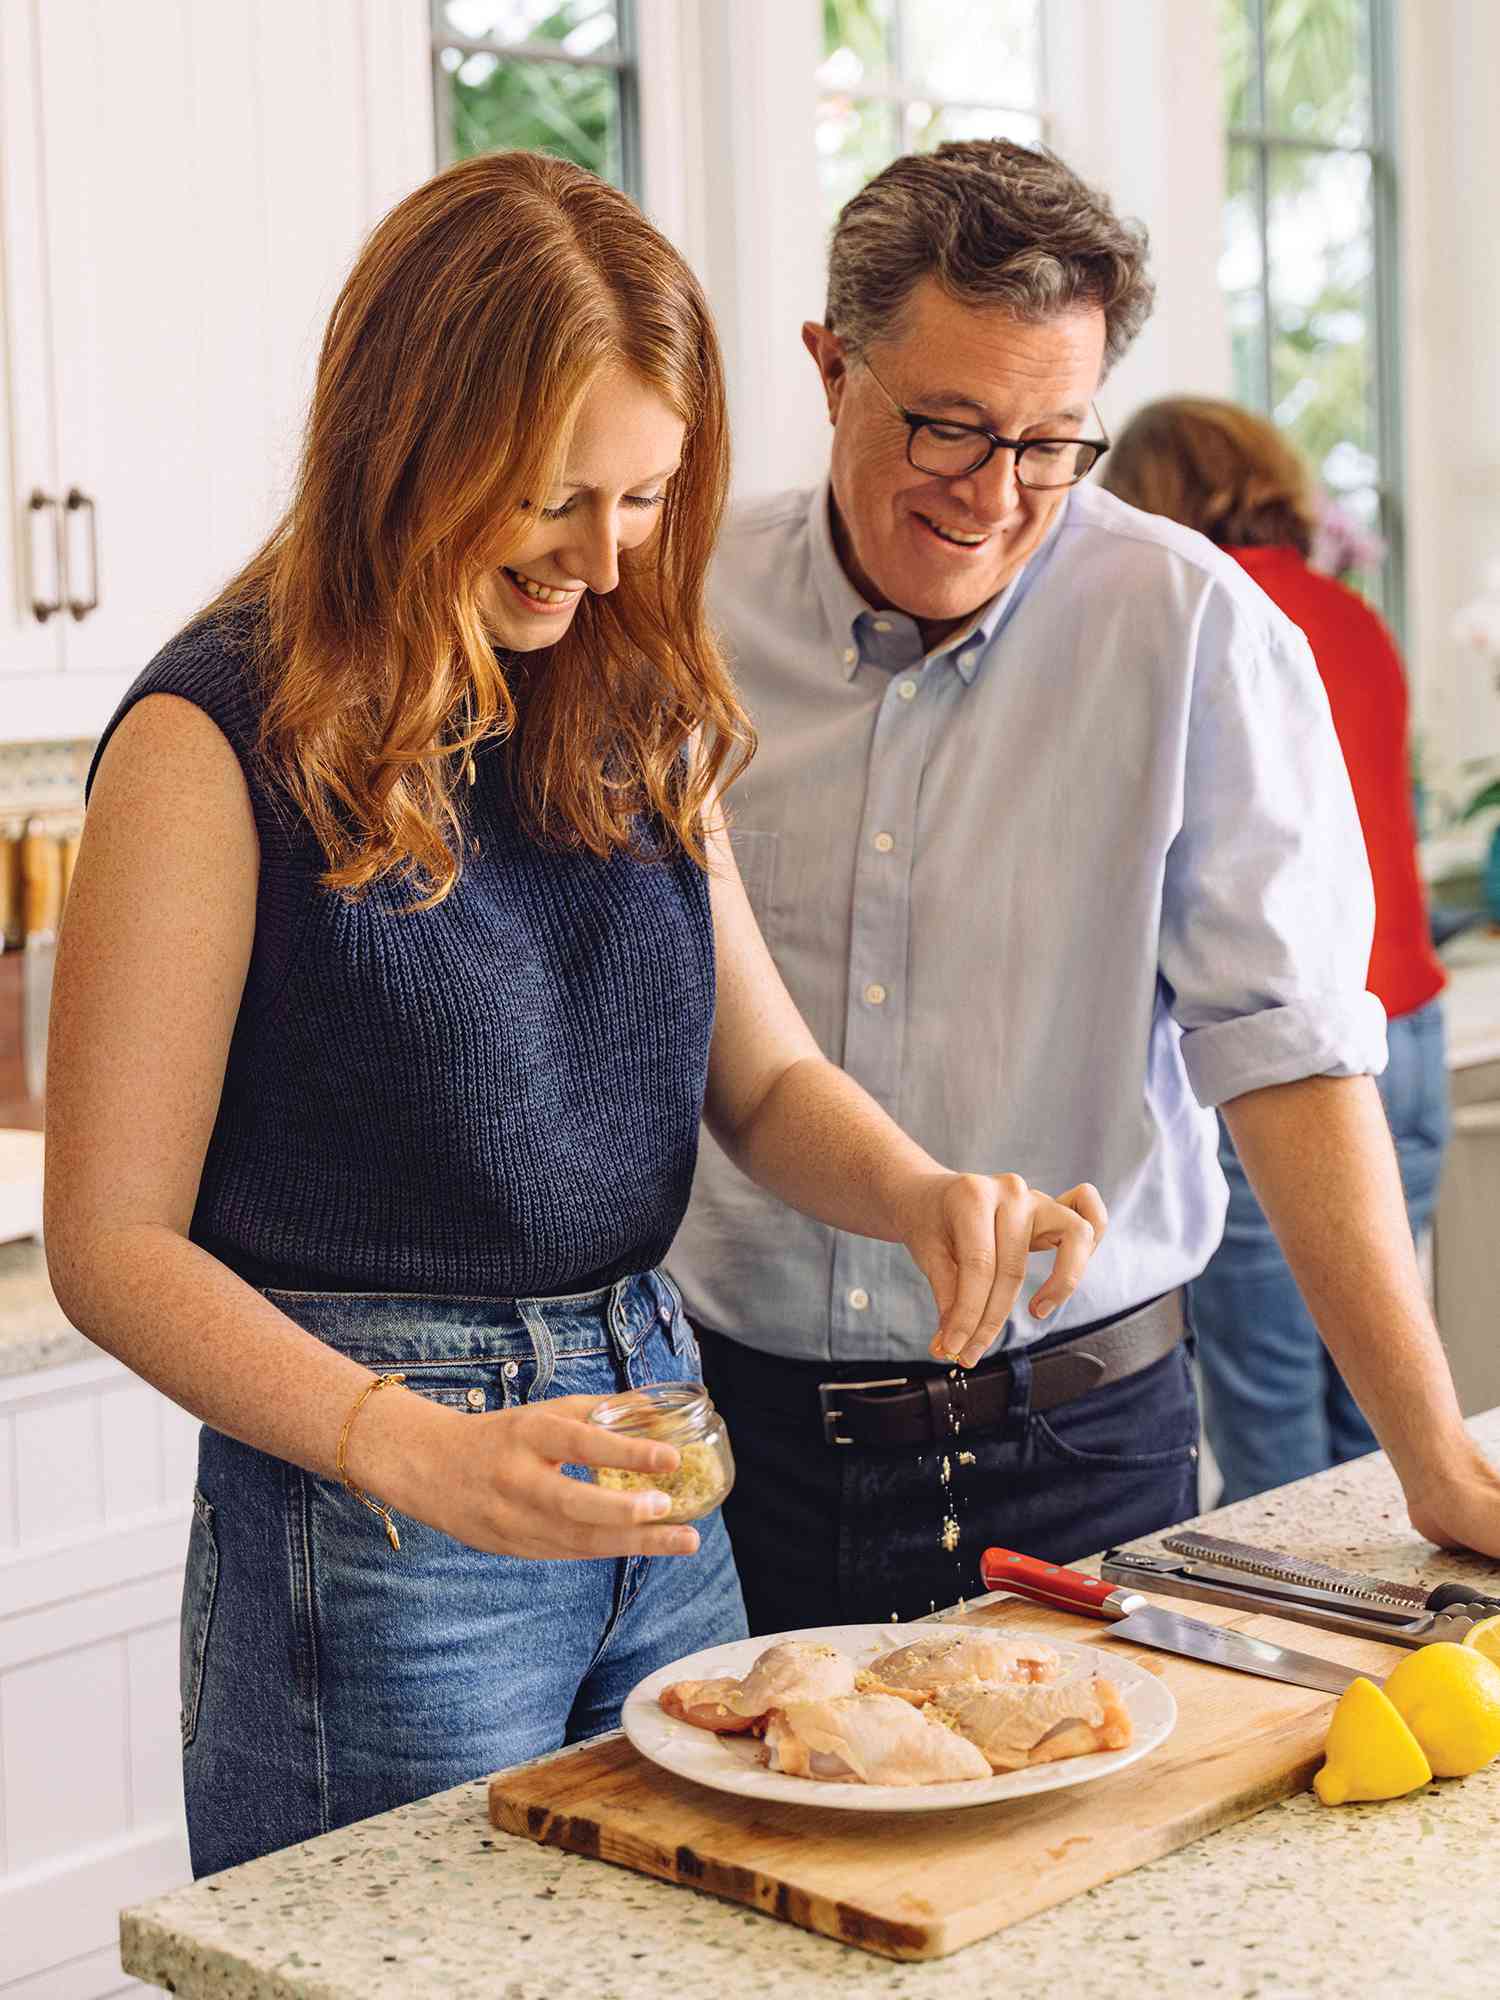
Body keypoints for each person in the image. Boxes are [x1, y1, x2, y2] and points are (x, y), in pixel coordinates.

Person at [41, 152, 1103, 1877]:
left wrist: (920, 1193)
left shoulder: (629, 702)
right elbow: (111, 1243)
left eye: (646, 501)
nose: (608, 565)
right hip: (381, 1506)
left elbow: (756, 1079)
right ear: (411, 443)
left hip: (656, 1452)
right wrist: (413, 1450)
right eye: (554, 500)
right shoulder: (210, 739)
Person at [668, 138, 1500, 1640]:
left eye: (1054, 441)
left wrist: (1428, 1454)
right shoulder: (680, 611)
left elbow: (1289, 1060)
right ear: (830, 365)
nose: (996, 494)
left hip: (1079, 1451)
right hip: (734, 1458)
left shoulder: (1192, 631)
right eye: (949, 427)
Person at [1099, 397, 1449, 1501]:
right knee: (1382, 1418)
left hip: (1288, 1071)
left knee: (1273, 1444)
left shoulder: (1200, 622)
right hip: (1414, 1038)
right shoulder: (1351, 615)